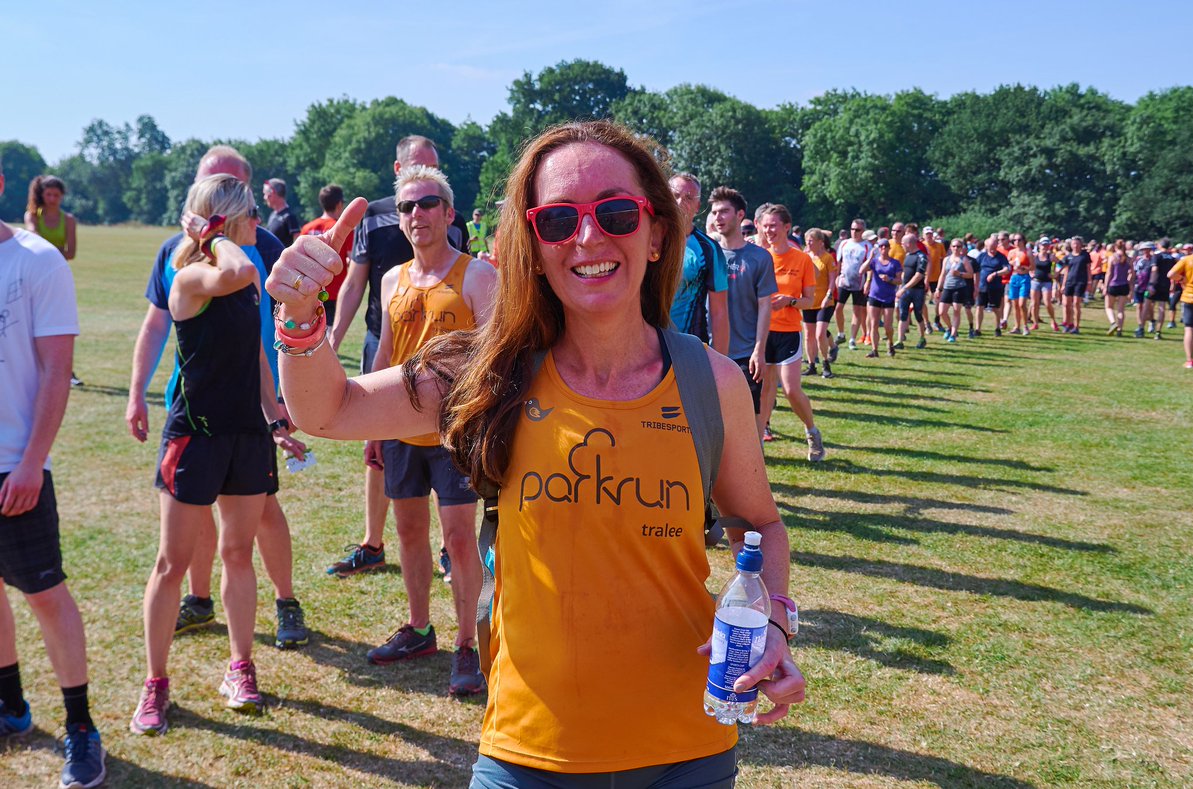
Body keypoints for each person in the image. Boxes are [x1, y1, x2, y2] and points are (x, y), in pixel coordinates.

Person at [266, 118, 804, 788]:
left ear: (658, 231)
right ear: (533, 241)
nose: (587, 238)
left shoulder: (711, 382)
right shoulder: (491, 374)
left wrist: (776, 617)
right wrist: (299, 319)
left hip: (687, 749)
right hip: (527, 754)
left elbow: (763, 525)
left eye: (614, 212)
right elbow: (330, 408)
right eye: (557, 220)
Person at [131, 177, 304, 735]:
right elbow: (235, 271)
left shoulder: (242, 276)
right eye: (250, 213)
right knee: (171, 564)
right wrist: (211, 238)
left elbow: (253, 351)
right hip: (195, 436)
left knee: (237, 553)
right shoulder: (192, 277)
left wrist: (275, 416)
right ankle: (156, 684)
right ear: (225, 221)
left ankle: (240, 667)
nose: (258, 219)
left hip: (245, 435)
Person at [362, 165, 498, 695]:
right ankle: (419, 628)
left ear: (448, 212)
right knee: (408, 532)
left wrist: (484, 421)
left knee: (460, 540)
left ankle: (467, 643)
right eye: (406, 207)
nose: (415, 215)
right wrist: (371, 422)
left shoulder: (478, 276)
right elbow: (385, 352)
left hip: (455, 432)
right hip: (399, 428)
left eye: (425, 204)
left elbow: (496, 356)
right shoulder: (391, 278)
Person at [0, 160, 106, 789]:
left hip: (16, 463)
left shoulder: (38, 262)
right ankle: (11, 706)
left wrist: (34, 460)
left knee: (44, 594)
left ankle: (81, 729)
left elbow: (55, 367)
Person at [325, 135, 469, 579]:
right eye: (416, 171)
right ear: (397, 169)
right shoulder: (373, 215)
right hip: (385, 337)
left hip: (444, 349)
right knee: (382, 446)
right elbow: (353, 283)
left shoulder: (453, 219)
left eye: (434, 173)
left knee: (445, 448)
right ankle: (373, 541)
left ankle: (450, 548)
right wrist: (332, 341)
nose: (421, 200)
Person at [757, 205, 825, 461]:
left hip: (789, 332)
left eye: (773, 225)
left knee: (791, 389)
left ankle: (812, 431)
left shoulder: (802, 259)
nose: (768, 230)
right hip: (764, 332)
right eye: (765, 225)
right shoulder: (761, 257)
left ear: (787, 227)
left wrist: (790, 301)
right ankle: (758, 445)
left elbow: (809, 301)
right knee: (765, 390)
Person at [709, 187, 776, 444]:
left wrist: (759, 350)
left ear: (740, 215)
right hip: (708, 350)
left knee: (748, 417)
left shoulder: (759, 257)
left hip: (745, 353)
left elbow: (765, 306)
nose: (718, 217)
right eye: (714, 212)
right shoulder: (708, 252)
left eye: (724, 211)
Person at [25, 175, 82, 387]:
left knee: (61, 326)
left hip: (58, 277)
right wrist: (53, 251)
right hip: (33, 277)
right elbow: (33, 240)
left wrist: (47, 250)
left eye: (56, 195)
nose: (52, 199)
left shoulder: (68, 220)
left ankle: (68, 371)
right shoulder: (32, 216)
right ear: (42, 195)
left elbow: (71, 252)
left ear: (62, 196)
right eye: (48, 194)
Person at [668, 173, 729, 354]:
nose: (680, 203)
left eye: (688, 198)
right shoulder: (645, 240)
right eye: (675, 196)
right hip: (643, 349)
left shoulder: (709, 249)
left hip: (688, 350)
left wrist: (721, 364)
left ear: (698, 206)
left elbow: (719, 313)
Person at [298, 184, 353, 326]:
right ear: (339, 204)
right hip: (334, 292)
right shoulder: (342, 229)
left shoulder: (306, 228)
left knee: (311, 330)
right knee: (329, 335)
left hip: (310, 290)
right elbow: (352, 259)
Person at [801, 228, 838, 377]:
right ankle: (811, 365)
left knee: (820, 334)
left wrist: (828, 296)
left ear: (820, 242)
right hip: (808, 301)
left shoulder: (828, 258)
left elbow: (832, 280)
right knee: (808, 334)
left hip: (825, 302)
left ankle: (825, 363)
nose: (808, 243)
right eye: (807, 240)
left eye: (811, 240)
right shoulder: (804, 257)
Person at [860, 241, 900, 357]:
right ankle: (874, 349)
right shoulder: (874, 262)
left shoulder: (895, 263)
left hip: (888, 296)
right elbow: (861, 270)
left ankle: (890, 342)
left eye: (885, 246)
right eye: (881, 246)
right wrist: (870, 257)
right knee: (874, 324)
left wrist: (890, 279)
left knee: (888, 325)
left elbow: (900, 280)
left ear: (889, 248)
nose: (883, 248)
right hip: (874, 295)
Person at [834, 220, 870, 350]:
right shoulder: (844, 243)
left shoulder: (866, 246)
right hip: (844, 281)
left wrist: (868, 282)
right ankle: (841, 333)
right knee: (838, 308)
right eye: (853, 229)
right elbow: (839, 262)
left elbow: (870, 266)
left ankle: (853, 339)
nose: (855, 232)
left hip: (859, 283)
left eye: (858, 230)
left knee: (857, 311)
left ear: (863, 231)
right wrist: (837, 276)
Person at [1168, 239, 1193, 368]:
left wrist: (1182, 279)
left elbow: (1171, 274)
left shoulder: (1187, 259)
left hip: (1189, 297)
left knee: (1189, 329)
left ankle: (1189, 360)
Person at [936, 238, 975, 342]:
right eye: (954, 246)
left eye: (958, 246)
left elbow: (970, 275)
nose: (956, 248)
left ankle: (953, 334)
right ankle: (949, 328)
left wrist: (960, 274)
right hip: (947, 287)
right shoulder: (946, 259)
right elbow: (942, 274)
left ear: (961, 248)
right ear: (950, 247)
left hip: (959, 288)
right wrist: (938, 289)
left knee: (956, 311)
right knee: (942, 312)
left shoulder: (964, 260)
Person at [895, 233, 929, 350]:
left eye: (903, 244)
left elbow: (919, 275)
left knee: (918, 314)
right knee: (903, 313)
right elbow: (905, 273)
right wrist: (901, 287)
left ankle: (922, 337)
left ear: (909, 244)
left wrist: (905, 288)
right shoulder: (908, 255)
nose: (902, 246)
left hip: (917, 290)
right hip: (906, 289)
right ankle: (900, 340)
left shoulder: (922, 257)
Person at [973, 236, 1011, 337]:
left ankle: (997, 327)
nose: (992, 249)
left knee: (995, 308)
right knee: (979, 307)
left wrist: (995, 274)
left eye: (994, 247)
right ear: (986, 247)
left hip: (995, 287)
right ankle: (977, 329)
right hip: (982, 286)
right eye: (990, 247)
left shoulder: (1001, 257)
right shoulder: (982, 256)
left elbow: (1007, 269)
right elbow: (974, 269)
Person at [1061, 237, 1091, 334]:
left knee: (1076, 303)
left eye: (1077, 244)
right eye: (1074, 244)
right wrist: (1063, 284)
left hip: (1080, 281)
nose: (1076, 246)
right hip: (1070, 281)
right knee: (1066, 304)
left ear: (1081, 245)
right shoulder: (1068, 256)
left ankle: (1076, 326)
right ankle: (1068, 324)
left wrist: (1089, 282)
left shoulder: (1085, 255)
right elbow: (1066, 270)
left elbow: (1088, 269)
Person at [1148, 239, 1176, 340]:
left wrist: (1151, 283)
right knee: (1162, 308)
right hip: (1166, 284)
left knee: (1148, 303)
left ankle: (1152, 321)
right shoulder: (1172, 258)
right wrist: (1173, 284)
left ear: (1160, 245)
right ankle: (1158, 331)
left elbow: (1154, 270)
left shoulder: (1157, 256)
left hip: (1156, 283)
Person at [1029, 238, 1059, 331]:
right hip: (1035, 281)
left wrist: (1055, 274)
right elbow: (1030, 266)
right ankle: (1035, 323)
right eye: (1043, 245)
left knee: (1047, 303)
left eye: (1046, 245)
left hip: (1047, 282)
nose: (1044, 247)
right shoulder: (1035, 256)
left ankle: (1053, 321)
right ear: (1039, 246)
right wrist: (1031, 273)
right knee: (1034, 303)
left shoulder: (1051, 256)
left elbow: (1061, 264)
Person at [1103, 242, 1131, 336]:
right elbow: (1132, 273)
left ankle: (1113, 323)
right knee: (1121, 310)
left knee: (1109, 307)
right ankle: (1120, 330)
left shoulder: (1113, 257)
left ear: (1115, 247)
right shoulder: (1128, 259)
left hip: (1113, 284)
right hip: (1124, 285)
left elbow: (1109, 273)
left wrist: (1105, 286)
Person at [263, 178, 301, 247]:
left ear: (273, 192)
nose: (265, 197)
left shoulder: (289, 217)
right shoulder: (272, 215)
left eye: (266, 194)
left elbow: (297, 244)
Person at [922, 226, 944, 333]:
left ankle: (937, 320)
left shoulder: (939, 246)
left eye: (930, 234)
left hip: (937, 277)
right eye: (927, 234)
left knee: (938, 301)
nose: (929, 236)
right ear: (923, 235)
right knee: (922, 301)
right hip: (923, 277)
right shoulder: (921, 246)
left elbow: (944, 260)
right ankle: (927, 323)